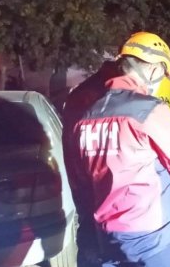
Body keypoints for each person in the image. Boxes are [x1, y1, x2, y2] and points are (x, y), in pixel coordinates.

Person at [71, 32, 170, 267]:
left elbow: (83, 173)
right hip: (152, 235)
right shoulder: (148, 110)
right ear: (153, 71)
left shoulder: (86, 117)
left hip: (106, 232)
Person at [62, 59, 120, 266]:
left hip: (82, 180)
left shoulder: (82, 92)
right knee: (100, 240)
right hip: (99, 182)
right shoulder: (106, 96)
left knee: (88, 235)